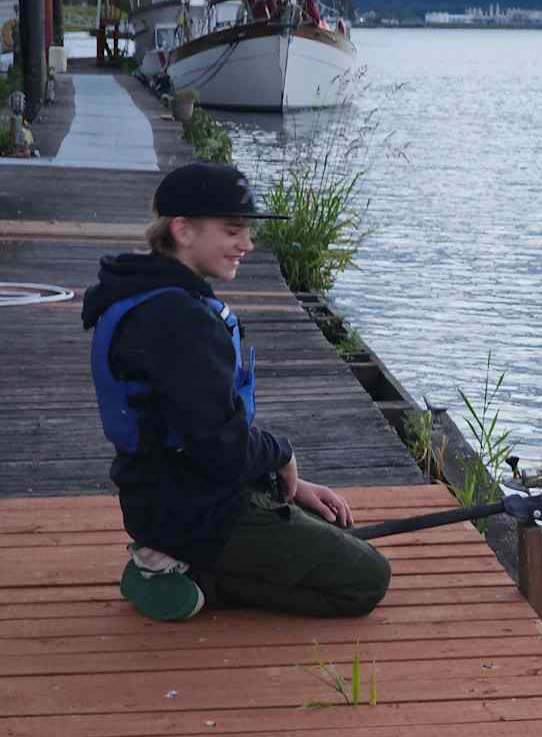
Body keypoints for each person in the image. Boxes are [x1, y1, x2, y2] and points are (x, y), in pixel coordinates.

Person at [81, 162, 391, 621]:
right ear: (184, 230)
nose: (246, 245)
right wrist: (282, 455)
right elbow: (221, 449)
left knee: (341, 532)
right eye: (232, 231)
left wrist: (291, 484)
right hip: (191, 511)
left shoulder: (156, 294)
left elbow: (207, 431)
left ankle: (172, 558)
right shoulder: (177, 320)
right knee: (366, 578)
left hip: (174, 494)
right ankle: (182, 575)